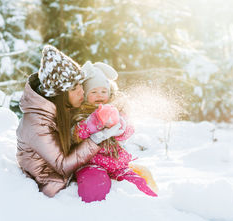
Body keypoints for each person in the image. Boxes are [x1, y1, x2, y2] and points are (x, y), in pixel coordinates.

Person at [16, 45, 124, 197]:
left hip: (70, 171)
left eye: (81, 85)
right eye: (75, 89)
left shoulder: (62, 108)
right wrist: (98, 138)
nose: (82, 91)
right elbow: (62, 165)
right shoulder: (37, 123)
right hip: (52, 184)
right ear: (60, 95)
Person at [72, 61, 158, 203]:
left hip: (116, 163)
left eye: (103, 91)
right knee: (93, 185)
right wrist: (94, 123)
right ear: (85, 95)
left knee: (138, 184)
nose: (99, 95)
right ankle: (94, 211)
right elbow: (76, 134)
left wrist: (120, 127)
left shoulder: (116, 109)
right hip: (90, 163)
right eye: (94, 92)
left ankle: (150, 206)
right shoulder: (80, 112)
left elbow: (129, 130)